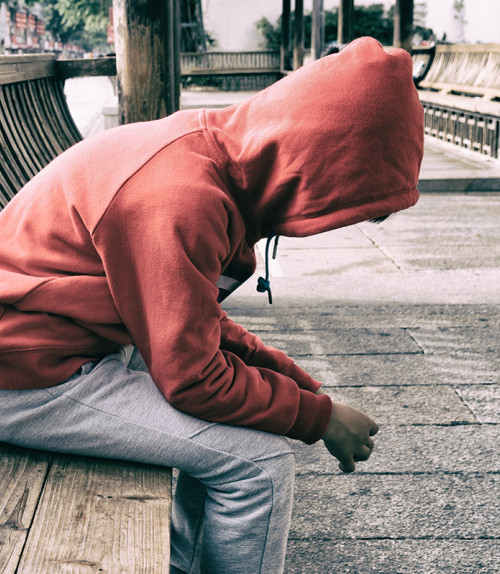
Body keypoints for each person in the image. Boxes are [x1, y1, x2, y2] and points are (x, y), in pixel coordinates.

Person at [0, 37, 424, 573]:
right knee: (260, 466)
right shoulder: (178, 199)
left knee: (243, 433)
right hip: (26, 373)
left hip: (60, 343)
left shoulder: (208, 156)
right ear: (317, 161)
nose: (334, 221)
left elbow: (200, 327)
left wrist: (311, 396)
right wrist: (316, 418)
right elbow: (193, 377)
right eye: (345, 203)